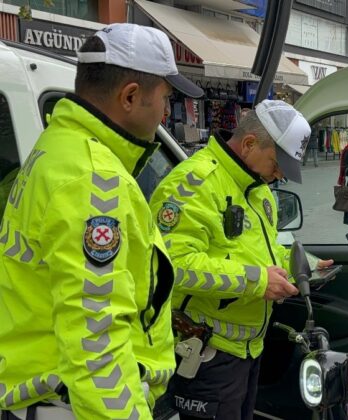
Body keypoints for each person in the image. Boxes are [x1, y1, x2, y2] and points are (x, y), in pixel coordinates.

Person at [0, 23, 204, 419]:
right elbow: (97, 344)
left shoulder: (57, 148)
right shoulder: (95, 181)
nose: (166, 111)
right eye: (165, 97)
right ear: (130, 96)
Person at [149, 100, 331, 419]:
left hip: (247, 351)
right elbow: (173, 266)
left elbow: (257, 252)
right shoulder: (194, 184)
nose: (279, 176)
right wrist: (257, 282)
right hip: (207, 354)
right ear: (248, 144)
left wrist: (302, 266)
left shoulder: (256, 188)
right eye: (278, 164)